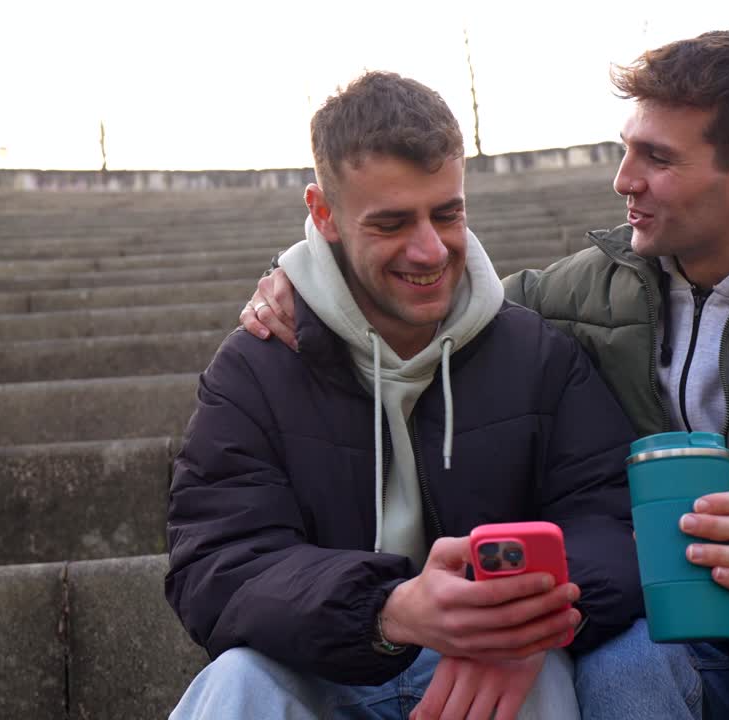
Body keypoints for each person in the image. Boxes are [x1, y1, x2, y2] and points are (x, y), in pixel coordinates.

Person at [242, 32, 729, 719]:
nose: (623, 180)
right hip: (656, 630)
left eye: (657, 159)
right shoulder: (572, 295)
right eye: (626, 148)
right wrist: (307, 279)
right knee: (622, 666)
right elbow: (428, 298)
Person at [165, 71, 677, 720]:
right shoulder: (255, 367)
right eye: (391, 223)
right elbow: (218, 562)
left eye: (448, 213)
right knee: (237, 681)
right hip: (326, 659)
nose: (431, 250)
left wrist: (510, 614)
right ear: (323, 214)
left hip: (501, 661)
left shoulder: (538, 353)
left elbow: (613, 522)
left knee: (547, 669)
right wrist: (387, 610)